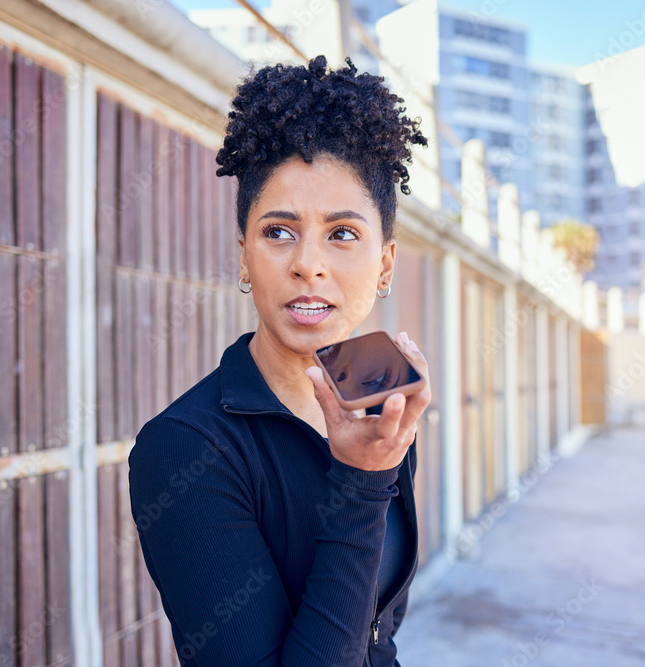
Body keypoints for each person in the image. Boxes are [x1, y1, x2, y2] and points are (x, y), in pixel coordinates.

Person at [128, 54, 432, 666]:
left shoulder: (381, 402)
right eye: (279, 231)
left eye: (343, 233)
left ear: (385, 265)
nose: (308, 264)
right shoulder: (186, 450)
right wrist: (363, 480)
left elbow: (379, 633)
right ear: (244, 256)